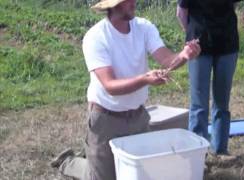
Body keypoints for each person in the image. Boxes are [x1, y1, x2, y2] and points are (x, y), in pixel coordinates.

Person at [50, 0, 201, 180]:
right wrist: (145, 79)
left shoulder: (144, 27)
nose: (134, 2)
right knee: (101, 177)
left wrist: (184, 55)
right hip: (105, 119)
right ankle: (70, 161)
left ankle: (95, 156)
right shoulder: (96, 37)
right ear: (114, 5)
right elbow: (110, 86)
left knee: (140, 173)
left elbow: (167, 60)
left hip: (138, 117)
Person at [177, 0, 242, 155]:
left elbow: (233, 5)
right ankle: (198, 154)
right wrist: (193, 33)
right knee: (199, 103)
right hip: (197, 46)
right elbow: (181, 12)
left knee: (222, 101)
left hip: (227, 44)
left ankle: (220, 149)